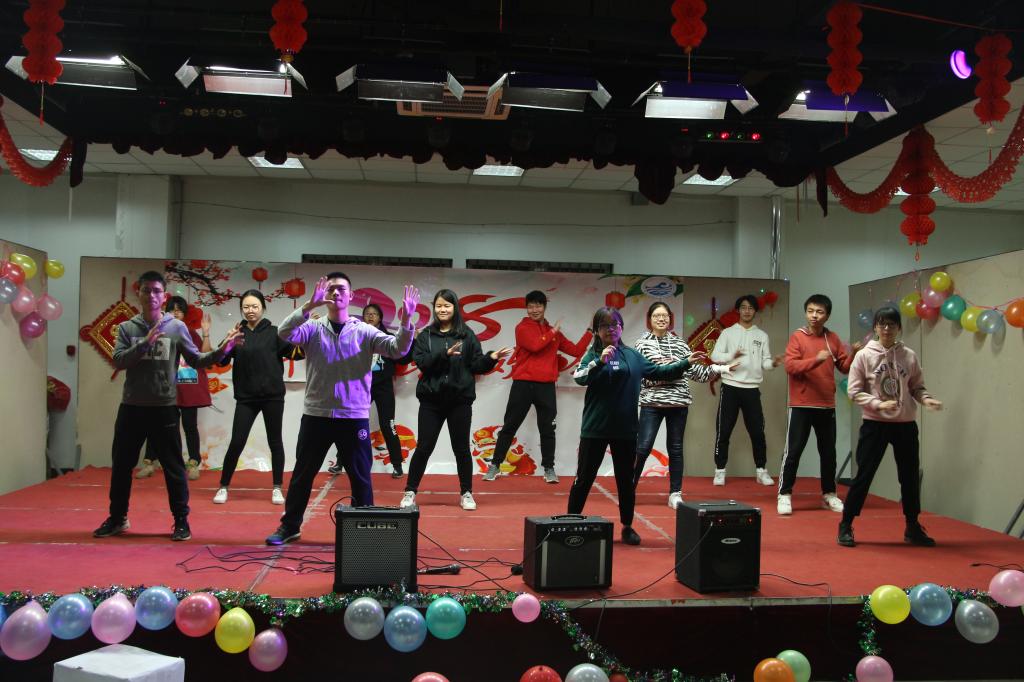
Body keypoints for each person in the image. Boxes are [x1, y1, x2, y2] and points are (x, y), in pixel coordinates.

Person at [266, 274, 418, 545]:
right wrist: (308, 306)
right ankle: (290, 526)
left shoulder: (364, 331)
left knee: (360, 478)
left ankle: (364, 533)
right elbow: (283, 333)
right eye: (331, 289)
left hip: (353, 417)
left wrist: (407, 321)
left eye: (341, 289)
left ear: (351, 296)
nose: (336, 293)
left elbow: (397, 350)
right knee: (302, 475)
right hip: (316, 415)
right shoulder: (312, 328)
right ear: (324, 295)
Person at [93, 271, 242, 542]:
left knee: (174, 469)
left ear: (164, 296)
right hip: (132, 407)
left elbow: (196, 360)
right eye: (146, 290)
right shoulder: (127, 328)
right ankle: (117, 518)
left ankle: (181, 520)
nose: (151, 295)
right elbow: (119, 361)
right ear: (138, 293)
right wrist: (145, 343)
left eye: (157, 291)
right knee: (122, 466)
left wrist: (224, 349)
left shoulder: (176, 327)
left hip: (164, 407)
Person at [569, 307, 702, 545]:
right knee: (584, 478)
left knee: (626, 482)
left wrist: (685, 363)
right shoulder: (592, 355)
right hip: (595, 429)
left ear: (621, 328)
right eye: (604, 326)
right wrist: (599, 361)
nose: (610, 329)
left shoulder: (632, 355)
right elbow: (579, 377)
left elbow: (659, 371)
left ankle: (627, 526)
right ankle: (569, 523)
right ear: (597, 330)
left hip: (626, 431)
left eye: (615, 325)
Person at [838, 307, 942, 547]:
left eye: (892, 325)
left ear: (899, 328)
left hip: (905, 424)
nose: (886, 329)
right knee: (864, 475)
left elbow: (917, 387)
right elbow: (854, 391)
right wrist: (877, 404)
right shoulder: (864, 356)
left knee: (909, 477)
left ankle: (912, 526)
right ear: (875, 327)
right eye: (882, 324)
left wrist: (926, 400)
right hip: (875, 424)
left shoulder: (909, 356)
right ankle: (845, 524)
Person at [400, 289, 513, 511]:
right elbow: (422, 363)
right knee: (424, 447)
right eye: (439, 306)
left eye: (447, 306)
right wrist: (445, 354)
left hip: (459, 401)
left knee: (461, 449)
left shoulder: (467, 335)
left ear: (455, 308)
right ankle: (410, 491)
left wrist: (491, 358)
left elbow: (476, 365)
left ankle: (466, 493)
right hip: (431, 401)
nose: (442, 310)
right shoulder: (426, 335)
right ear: (434, 308)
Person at [632, 302, 734, 509]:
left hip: (678, 403)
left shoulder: (680, 344)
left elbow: (696, 373)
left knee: (676, 449)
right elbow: (647, 376)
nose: (662, 319)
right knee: (642, 448)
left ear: (670, 319)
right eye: (657, 316)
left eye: (665, 316)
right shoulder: (641, 344)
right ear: (650, 319)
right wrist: (674, 368)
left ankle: (675, 493)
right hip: (652, 402)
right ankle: (628, 489)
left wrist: (720, 369)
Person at [483, 290, 591, 484]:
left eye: (538, 306)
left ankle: (549, 468)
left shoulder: (553, 332)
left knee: (547, 429)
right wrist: (553, 332)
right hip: (523, 385)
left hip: (546, 387)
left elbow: (575, 351)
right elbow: (535, 346)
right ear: (526, 308)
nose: (534, 310)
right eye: (531, 306)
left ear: (544, 307)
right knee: (510, 426)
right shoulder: (522, 328)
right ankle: (495, 465)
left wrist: (590, 331)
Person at [213, 289, 301, 505]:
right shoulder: (237, 333)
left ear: (263, 308)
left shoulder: (275, 333)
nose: (250, 310)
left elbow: (296, 354)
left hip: (272, 397)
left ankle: (277, 488)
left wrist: (306, 332)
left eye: (254, 306)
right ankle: (223, 487)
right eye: (246, 307)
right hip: (246, 398)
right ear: (241, 310)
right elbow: (220, 361)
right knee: (237, 442)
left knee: (275, 442)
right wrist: (228, 343)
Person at [777, 294, 860, 516]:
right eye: (811, 311)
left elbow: (844, 367)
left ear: (827, 315)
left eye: (819, 312)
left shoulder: (832, 338)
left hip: (826, 405)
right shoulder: (798, 337)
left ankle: (829, 494)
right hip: (801, 405)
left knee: (828, 453)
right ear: (806, 313)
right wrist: (816, 360)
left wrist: (854, 353)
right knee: (793, 451)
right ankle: (784, 494)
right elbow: (790, 367)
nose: (814, 315)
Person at [329, 303, 412, 479]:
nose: (371, 316)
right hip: (360, 387)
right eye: (367, 313)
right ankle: (340, 462)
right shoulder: (356, 336)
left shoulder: (389, 338)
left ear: (380, 318)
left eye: (374, 314)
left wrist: (413, 339)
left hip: (383, 387)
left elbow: (404, 358)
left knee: (388, 425)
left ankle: (397, 465)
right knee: (351, 424)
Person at [136, 297, 214, 481]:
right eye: (172, 309)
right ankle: (149, 462)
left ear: (185, 314)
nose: (176, 313)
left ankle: (193, 464)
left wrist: (205, 333)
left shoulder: (191, 333)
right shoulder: (160, 332)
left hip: (188, 385)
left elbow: (205, 356)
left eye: (180, 310)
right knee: (158, 425)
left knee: (189, 426)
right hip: (166, 387)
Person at [709, 294, 783, 487]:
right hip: (730, 387)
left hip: (752, 389)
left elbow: (765, 363)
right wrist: (731, 355)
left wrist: (774, 363)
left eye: (750, 308)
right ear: (738, 310)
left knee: (757, 432)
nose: (747, 311)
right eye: (743, 307)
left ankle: (761, 471)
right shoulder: (728, 333)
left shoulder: (762, 336)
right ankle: (719, 471)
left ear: (755, 311)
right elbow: (715, 356)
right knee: (723, 431)